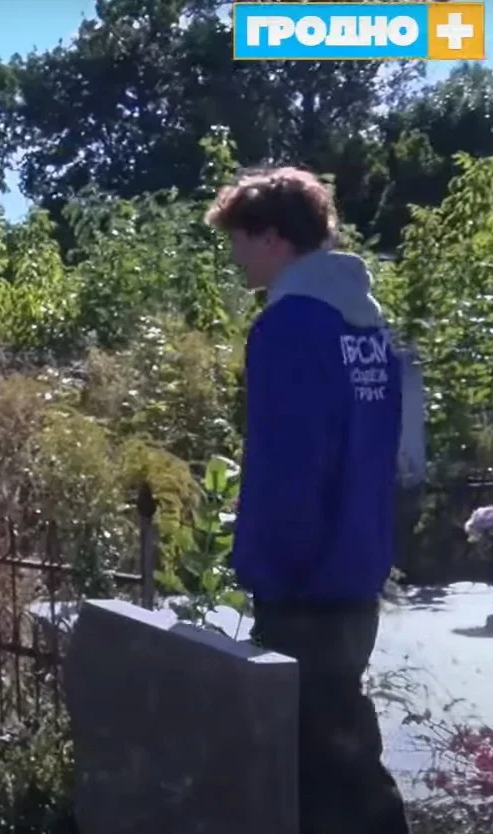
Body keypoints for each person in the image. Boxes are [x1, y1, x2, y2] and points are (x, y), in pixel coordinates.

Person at [205, 167, 415, 834]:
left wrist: (272, 567)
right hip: (357, 565)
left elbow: (289, 461)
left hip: (304, 580)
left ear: (271, 238)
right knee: (343, 743)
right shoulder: (367, 327)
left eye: (238, 240)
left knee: (324, 772)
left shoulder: (288, 326)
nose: (234, 256)